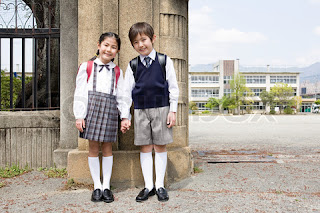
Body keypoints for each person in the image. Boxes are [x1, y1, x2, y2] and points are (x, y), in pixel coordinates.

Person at [121, 22, 179, 202]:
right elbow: (125, 93)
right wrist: (125, 115)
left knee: (160, 145)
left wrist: (173, 110)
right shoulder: (133, 65)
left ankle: (160, 185)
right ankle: (148, 186)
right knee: (145, 147)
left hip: (162, 108)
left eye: (144, 40)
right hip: (140, 110)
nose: (141, 45)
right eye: (136, 42)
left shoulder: (164, 61)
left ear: (152, 39)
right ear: (133, 45)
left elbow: (173, 88)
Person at [73, 32, 129, 203]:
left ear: (117, 50)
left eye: (113, 47)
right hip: (92, 110)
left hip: (110, 111)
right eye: (106, 45)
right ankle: (97, 186)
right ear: (99, 45)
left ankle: (106, 186)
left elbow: (122, 96)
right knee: (92, 148)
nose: (109, 49)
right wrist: (79, 115)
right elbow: (80, 92)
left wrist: (125, 117)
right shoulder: (87, 67)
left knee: (107, 149)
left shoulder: (117, 71)